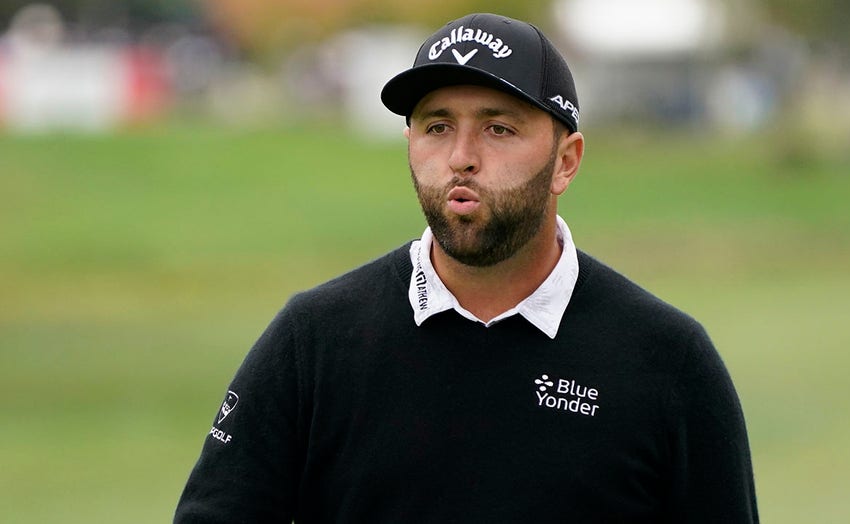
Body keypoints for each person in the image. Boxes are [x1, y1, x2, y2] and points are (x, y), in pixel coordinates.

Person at [174, 12, 758, 523]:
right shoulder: (314, 340)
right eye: (437, 126)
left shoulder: (669, 361)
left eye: (498, 128)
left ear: (566, 161)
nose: (461, 158)